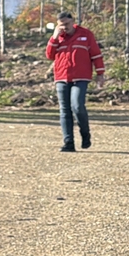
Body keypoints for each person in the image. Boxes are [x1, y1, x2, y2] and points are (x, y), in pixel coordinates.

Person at [45, 12, 105, 152]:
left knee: (77, 106)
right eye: (61, 25)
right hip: (62, 76)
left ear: (73, 22)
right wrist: (54, 38)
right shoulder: (57, 37)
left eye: (66, 24)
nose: (64, 27)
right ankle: (68, 143)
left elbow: (96, 54)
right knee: (64, 110)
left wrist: (100, 74)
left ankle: (85, 134)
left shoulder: (86, 34)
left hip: (81, 77)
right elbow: (49, 55)